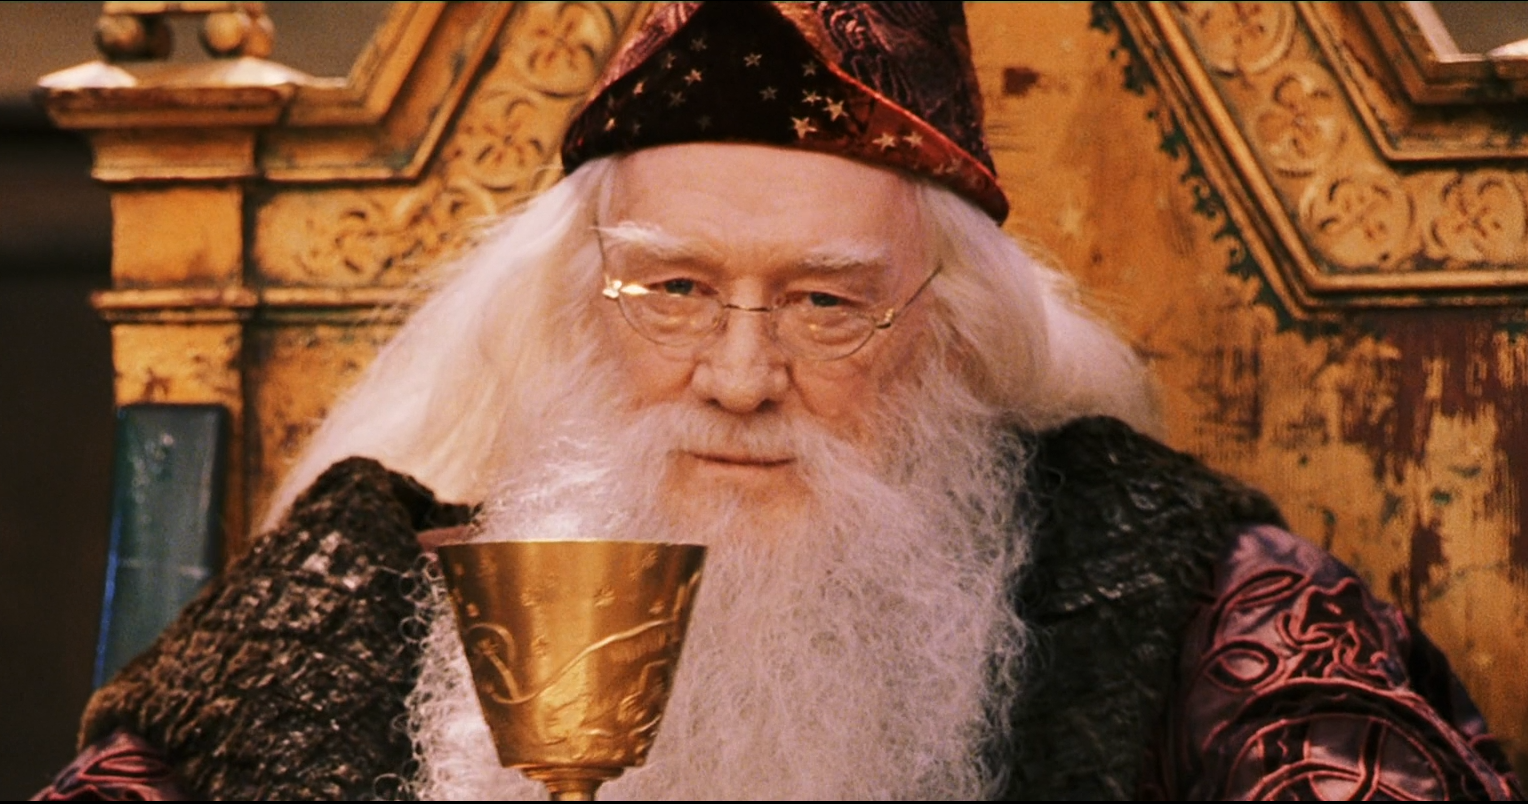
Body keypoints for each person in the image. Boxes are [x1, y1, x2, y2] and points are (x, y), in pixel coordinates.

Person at [37, 2, 1524, 800]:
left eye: (826, 304)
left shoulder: (1186, 584)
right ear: (575, 304)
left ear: (949, 333)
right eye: (676, 289)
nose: (742, 380)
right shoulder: (360, 587)